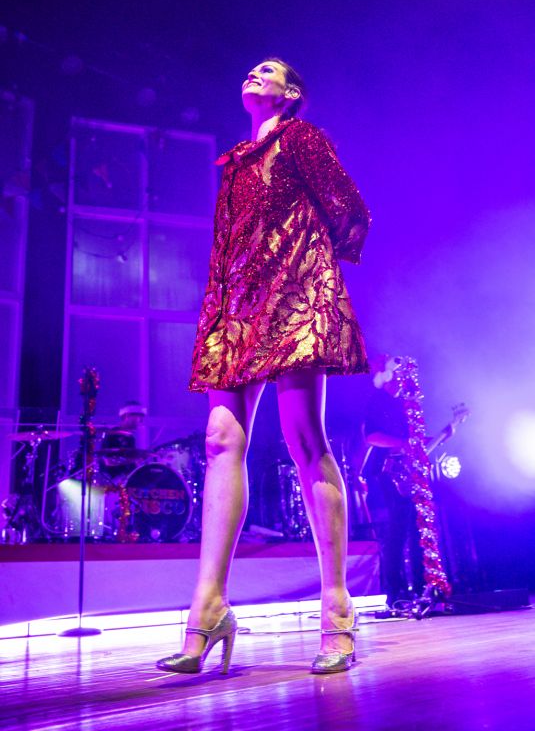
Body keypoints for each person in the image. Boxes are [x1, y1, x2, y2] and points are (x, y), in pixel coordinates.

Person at [156, 58, 371, 675]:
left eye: (268, 71)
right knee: (220, 437)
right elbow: (226, 244)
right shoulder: (233, 160)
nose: (253, 75)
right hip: (236, 306)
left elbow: (350, 210)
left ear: (292, 91)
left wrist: (314, 274)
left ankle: (337, 610)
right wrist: (220, 305)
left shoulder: (301, 138)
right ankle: (210, 604)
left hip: (294, 296)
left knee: (306, 438)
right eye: (249, 70)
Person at [361, 355, 424, 609]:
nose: (401, 378)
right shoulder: (376, 401)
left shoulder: (405, 405)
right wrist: (403, 444)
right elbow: (372, 437)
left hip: (408, 475)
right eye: (396, 374)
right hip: (384, 475)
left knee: (416, 531)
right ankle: (395, 592)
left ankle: (421, 588)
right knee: (395, 534)